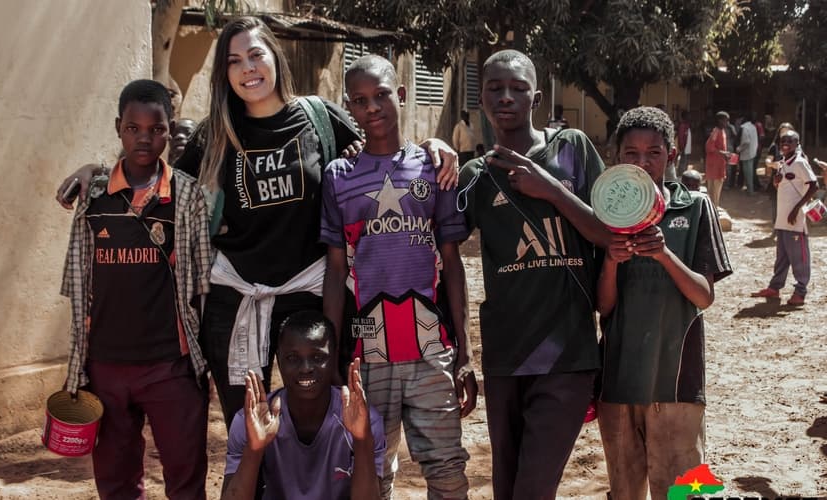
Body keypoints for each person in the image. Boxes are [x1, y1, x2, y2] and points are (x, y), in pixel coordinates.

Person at [55, 16, 460, 429]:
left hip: (309, 299)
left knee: (314, 425)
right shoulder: (214, 135)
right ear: (224, 74)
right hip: (234, 302)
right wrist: (101, 171)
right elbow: (158, 185)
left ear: (274, 58)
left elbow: (382, 147)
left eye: (255, 54)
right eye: (234, 61)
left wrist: (433, 145)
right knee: (247, 428)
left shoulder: (319, 118)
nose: (247, 68)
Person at [321, 55, 477, 500]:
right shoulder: (339, 177)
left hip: (431, 347)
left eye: (382, 95)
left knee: (447, 470)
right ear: (349, 108)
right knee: (368, 470)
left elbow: (453, 263)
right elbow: (335, 272)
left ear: (402, 95)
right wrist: (334, 357)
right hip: (366, 352)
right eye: (360, 100)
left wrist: (464, 352)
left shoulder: (434, 167)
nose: (372, 108)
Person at [458, 49, 610, 500]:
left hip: (568, 355)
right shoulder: (475, 176)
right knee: (507, 488)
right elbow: (439, 246)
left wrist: (549, 190)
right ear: (481, 99)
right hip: (505, 355)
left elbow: (606, 232)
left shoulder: (573, 149)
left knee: (533, 490)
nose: (506, 97)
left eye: (518, 88)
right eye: (495, 89)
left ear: (536, 97)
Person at [60, 79, 212, 499]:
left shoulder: (186, 196)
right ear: (118, 127)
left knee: (185, 481)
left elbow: (202, 282)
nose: (145, 138)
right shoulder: (93, 195)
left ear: (170, 128)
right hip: (105, 369)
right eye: (133, 128)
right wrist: (82, 365)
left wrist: (201, 363)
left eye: (156, 129)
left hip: (171, 367)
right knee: (116, 482)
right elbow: (78, 280)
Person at [597, 106, 732, 500]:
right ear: (616, 157)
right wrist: (609, 259)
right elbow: (603, 308)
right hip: (618, 381)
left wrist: (663, 255)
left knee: (681, 493)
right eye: (631, 154)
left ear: (671, 155)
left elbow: (703, 297)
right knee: (624, 490)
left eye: (653, 153)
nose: (643, 162)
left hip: (677, 382)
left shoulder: (694, 208)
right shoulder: (606, 214)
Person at [221, 311, 386, 500]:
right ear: (279, 361)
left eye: (317, 357)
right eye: (292, 358)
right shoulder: (250, 421)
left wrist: (361, 439)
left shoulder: (364, 420)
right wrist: (254, 449)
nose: (306, 368)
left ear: (334, 358)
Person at [751, 130, 817, 306]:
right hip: (782, 218)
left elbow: (813, 186)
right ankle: (775, 287)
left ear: (797, 144)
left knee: (799, 257)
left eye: (789, 141)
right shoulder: (782, 162)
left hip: (795, 219)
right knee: (782, 257)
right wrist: (776, 181)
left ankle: (800, 291)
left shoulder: (801, 162)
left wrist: (797, 208)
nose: (785, 144)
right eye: (782, 141)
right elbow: (782, 185)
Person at [765, 122, 796, 231]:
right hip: (777, 181)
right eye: (783, 132)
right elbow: (768, 160)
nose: (785, 134)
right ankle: (777, 228)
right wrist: (772, 164)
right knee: (776, 206)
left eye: (787, 132)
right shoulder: (774, 147)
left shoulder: (795, 147)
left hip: (792, 182)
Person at [704, 111, 730, 207]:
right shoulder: (715, 131)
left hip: (719, 165)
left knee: (716, 191)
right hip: (714, 166)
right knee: (713, 192)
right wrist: (723, 153)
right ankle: (713, 210)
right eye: (725, 121)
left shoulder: (722, 131)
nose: (727, 123)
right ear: (719, 121)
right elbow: (709, 147)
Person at [736, 112, 759, 195]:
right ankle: (750, 189)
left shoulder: (744, 127)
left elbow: (746, 141)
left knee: (747, 173)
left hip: (746, 153)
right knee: (750, 172)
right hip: (752, 152)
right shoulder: (753, 127)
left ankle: (750, 190)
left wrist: (739, 148)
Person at [676, 110, 692, 176]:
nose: (690, 117)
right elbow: (680, 137)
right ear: (685, 116)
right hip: (684, 148)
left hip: (687, 148)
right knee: (682, 163)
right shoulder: (682, 125)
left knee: (685, 163)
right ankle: (681, 176)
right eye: (688, 115)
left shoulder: (687, 125)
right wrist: (682, 147)